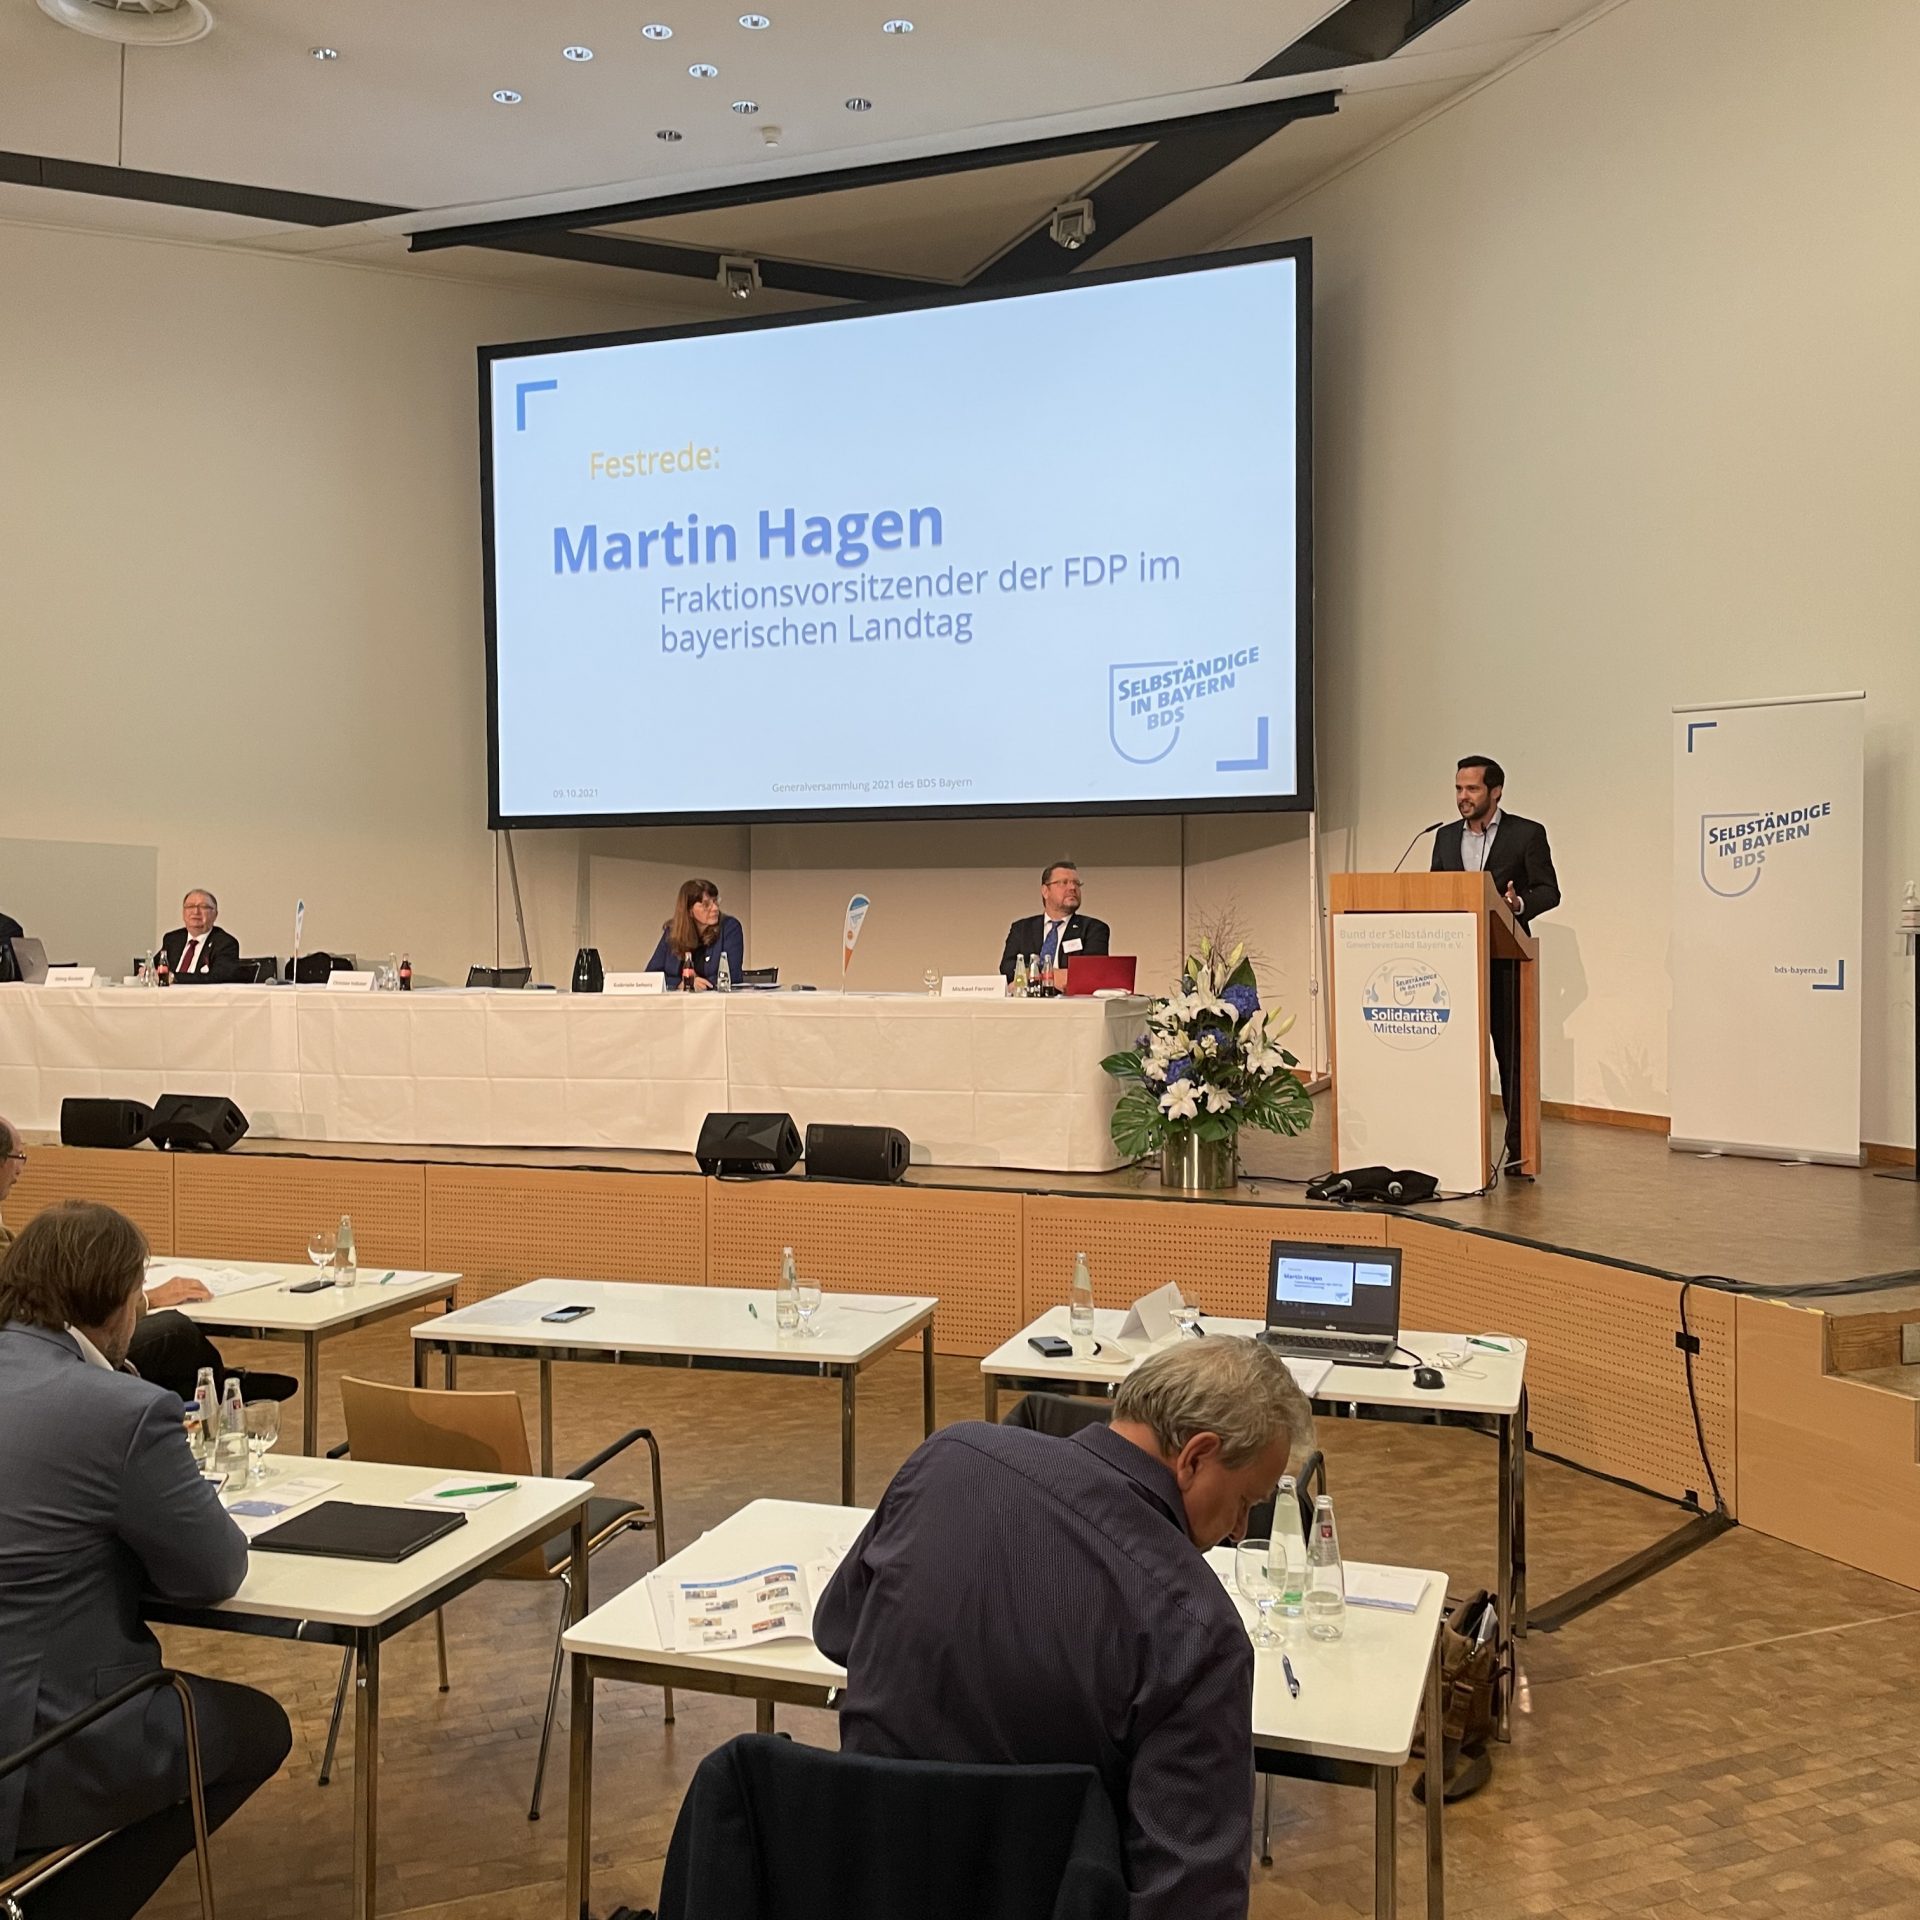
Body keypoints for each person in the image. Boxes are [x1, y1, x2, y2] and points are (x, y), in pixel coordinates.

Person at [816, 1337, 1312, 1920]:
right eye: (1245, 1501)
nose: (1238, 1530)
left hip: (855, 1876)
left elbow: (837, 1630)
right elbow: (1190, 1897)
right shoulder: (1200, 1631)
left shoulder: (948, 1456)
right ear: (1196, 1457)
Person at [0, 1201, 291, 1920]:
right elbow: (213, 1571)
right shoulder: (121, 1408)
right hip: (38, 1737)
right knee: (258, 1730)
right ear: (119, 1302)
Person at [0, 1116, 294, 1405]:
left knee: (174, 1331)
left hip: (38, 1339)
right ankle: (223, 1393)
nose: (21, 1168)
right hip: (44, 1343)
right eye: (18, 1156)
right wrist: (148, 1299)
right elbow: (31, 1294)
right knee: (174, 1331)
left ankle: (219, 1390)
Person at [1431, 755, 1560, 1173]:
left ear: (1496, 791)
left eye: (1472, 789)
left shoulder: (1526, 834)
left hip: (1505, 964)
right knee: (1454, 1059)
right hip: (1454, 966)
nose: (1462, 797)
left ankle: (1518, 1152)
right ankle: (1453, 1147)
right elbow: (1434, 890)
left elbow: (1549, 890)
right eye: (1458, 788)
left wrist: (1517, 904)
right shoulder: (1444, 838)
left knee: (1511, 1060)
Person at [999, 860, 1111, 981]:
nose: (1073, 888)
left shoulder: (1094, 929)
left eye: (1076, 883)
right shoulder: (1022, 928)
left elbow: (1091, 972)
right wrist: (1049, 975)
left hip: (1069, 994)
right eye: (1064, 883)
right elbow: (1008, 968)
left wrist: (1028, 975)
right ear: (1045, 891)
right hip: (1030, 994)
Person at [645, 878, 744, 989]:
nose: (715, 908)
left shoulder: (729, 928)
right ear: (689, 910)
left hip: (715, 997)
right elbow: (651, 976)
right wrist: (680, 984)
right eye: (706, 904)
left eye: (715, 901)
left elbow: (733, 975)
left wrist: (701, 985)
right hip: (678, 998)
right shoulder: (672, 932)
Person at [159, 889, 242, 981]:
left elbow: (218, 978)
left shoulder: (225, 943)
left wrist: (172, 977)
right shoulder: (172, 939)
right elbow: (155, 968)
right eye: (190, 906)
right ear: (183, 913)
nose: (196, 912)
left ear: (215, 914)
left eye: (204, 907)